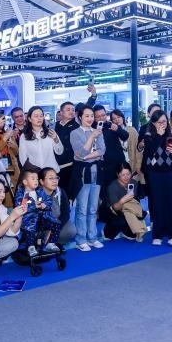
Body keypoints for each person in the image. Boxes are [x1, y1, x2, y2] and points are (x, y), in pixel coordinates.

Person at [142, 109, 172, 247]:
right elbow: (149, 153)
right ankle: (158, 234)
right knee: (157, 203)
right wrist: (158, 137)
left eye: (164, 121)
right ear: (153, 123)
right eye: (159, 122)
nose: (162, 124)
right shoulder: (148, 136)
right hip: (155, 174)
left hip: (171, 173)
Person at [70, 105, 105, 252]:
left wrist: (85, 157)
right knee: (82, 208)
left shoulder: (98, 132)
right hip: (83, 174)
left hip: (97, 172)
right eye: (87, 116)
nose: (90, 118)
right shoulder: (75, 133)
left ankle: (92, 237)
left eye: (92, 116)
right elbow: (80, 152)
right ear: (80, 117)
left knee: (93, 207)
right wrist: (91, 137)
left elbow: (102, 150)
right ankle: (81, 239)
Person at [13, 168, 61, 256]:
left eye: (36, 179)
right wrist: (34, 206)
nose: (36, 181)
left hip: (43, 217)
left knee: (56, 223)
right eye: (33, 179)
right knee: (30, 228)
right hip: (28, 219)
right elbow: (21, 207)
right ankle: (30, 247)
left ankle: (51, 243)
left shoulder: (40, 191)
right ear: (25, 182)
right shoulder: (23, 194)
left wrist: (45, 205)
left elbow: (48, 200)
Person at [103, 162, 147, 241]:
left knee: (133, 235)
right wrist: (123, 200)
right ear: (118, 174)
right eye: (123, 175)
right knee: (119, 222)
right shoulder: (113, 186)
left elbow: (135, 201)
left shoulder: (134, 183)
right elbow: (115, 208)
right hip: (112, 211)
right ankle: (106, 231)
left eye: (128, 174)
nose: (126, 177)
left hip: (127, 210)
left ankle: (125, 230)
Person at [93, 105, 129, 191]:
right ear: (94, 117)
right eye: (98, 116)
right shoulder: (92, 129)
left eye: (103, 115)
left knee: (122, 189)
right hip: (104, 166)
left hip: (119, 164)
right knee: (108, 191)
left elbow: (125, 136)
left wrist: (118, 130)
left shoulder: (111, 125)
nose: (101, 118)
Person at [18, 106, 64, 173]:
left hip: (51, 172)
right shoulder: (24, 136)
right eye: (36, 116)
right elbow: (22, 158)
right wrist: (30, 172)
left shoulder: (50, 132)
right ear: (29, 119)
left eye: (41, 116)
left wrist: (56, 140)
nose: (39, 118)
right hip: (34, 173)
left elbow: (60, 152)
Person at [38, 167, 76, 244]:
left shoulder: (60, 192)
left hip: (56, 223)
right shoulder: (36, 194)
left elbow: (66, 212)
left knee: (71, 230)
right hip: (40, 226)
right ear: (41, 181)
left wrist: (56, 227)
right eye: (51, 178)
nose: (55, 181)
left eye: (56, 178)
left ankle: (55, 243)